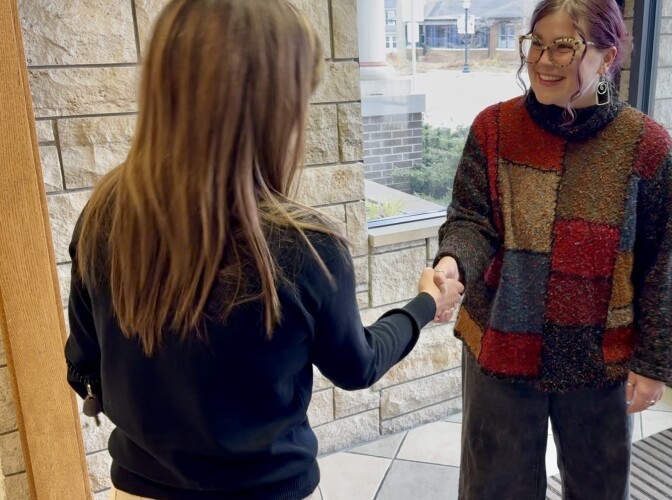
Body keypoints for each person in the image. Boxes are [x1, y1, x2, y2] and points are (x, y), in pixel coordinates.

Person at [63, 1, 463, 499]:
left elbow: (82, 361)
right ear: (275, 108)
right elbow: (356, 366)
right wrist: (425, 304)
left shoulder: (104, 214)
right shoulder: (304, 248)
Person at [432, 0, 672, 498]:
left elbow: (664, 264)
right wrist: (451, 263)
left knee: (599, 486)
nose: (545, 61)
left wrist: (653, 362)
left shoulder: (645, 145)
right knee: (493, 486)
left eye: (565, 47)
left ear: (607, 57)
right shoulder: (494, 128)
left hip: (599, 355)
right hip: (502, 342)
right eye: (537, 45)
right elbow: (470, 220)